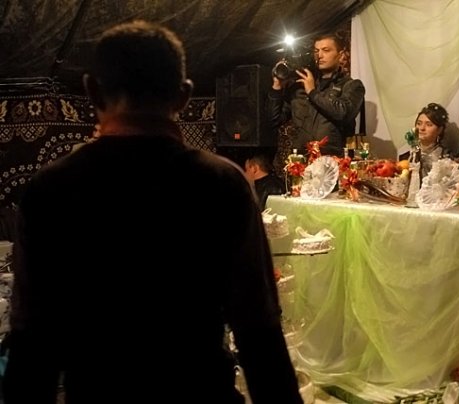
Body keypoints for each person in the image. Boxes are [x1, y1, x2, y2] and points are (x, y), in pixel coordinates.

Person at [2, 20, 302, 404]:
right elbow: (259, 334)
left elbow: (32, 346)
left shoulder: (52, 189)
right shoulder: (223, 184)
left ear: (92, 91)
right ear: (184, 96)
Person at [268, 32, 366, 157]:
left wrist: (312, 92)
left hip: (333, 159)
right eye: (316, 51)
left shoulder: (352, 85)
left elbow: (343, 113)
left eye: (326, 50)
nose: (319, 55)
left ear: (340, 55)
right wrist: (277, 87)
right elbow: (274, 120)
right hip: (301, 159)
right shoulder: (300, 86)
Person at [399, 102, 451, 180]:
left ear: (440, 130)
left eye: (429, 125)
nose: (422, 128)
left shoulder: (446, 158)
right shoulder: (406, 157)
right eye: (419, 123)